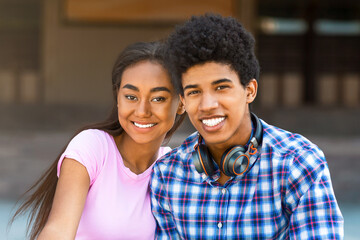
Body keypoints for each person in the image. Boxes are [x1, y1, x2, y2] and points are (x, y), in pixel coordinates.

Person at [150, 14, 344, 239]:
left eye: (221, 87)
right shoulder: (167, 174)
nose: (208, 105)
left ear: (250, 91)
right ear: (183, 101)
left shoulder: (298, 163)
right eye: (194, 92)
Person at [11, 41, 186, 240]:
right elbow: (58, 230)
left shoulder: (174, 167)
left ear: (181, 103)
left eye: (158, 99)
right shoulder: (93, 147)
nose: (142, 111)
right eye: (131, 96)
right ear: (118, 98)